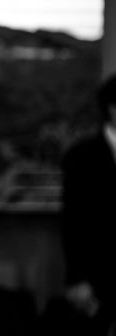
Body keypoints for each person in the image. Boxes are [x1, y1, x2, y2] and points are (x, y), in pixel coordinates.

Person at [52, 76, 116, 335]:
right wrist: (77, 279)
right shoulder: (81, 157)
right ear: (112, 108)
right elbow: (73, 222)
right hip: (98, 278)